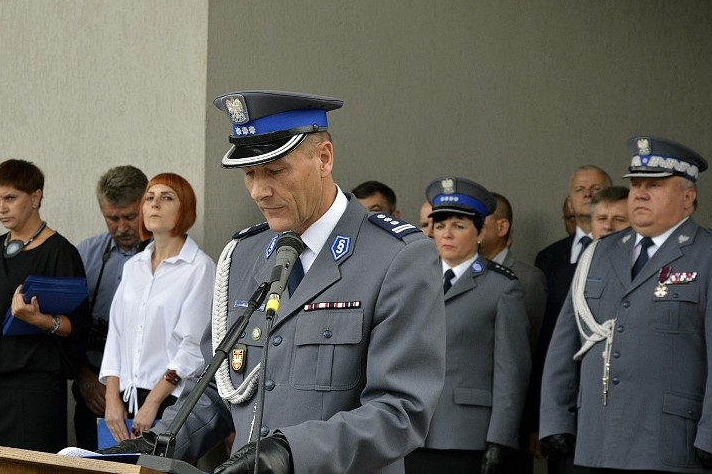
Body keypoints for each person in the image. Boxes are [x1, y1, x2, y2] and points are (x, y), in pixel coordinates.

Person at [102, 90, 445, 474]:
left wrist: (291, 452)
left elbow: (402, 411)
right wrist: (161, 441)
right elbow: (219, 385)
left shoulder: (395, 256)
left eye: (276, 171)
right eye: (249, 173)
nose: (259, 191)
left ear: (324, 158)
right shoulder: (244, 255)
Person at [540, 135, 712, 472]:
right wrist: (555, 418)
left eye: (654, 185)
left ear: (688, 197)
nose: (639, 192)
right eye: (636, 183)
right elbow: (565, 341)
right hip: (597, 438)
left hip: (672, 444)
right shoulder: (599, 252)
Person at [0, 159, 89, 452]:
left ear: (36, 197)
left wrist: (41, 321)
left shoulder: (60, 252)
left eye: (10, 198)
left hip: (32, 388)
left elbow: (78, 325)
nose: (1, 208)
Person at [407, 177, 530, 474]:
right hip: (412, 429)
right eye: (439, 225)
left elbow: (511, 372)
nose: (446, 233)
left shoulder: (501, 288)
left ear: (479, 232)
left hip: (466, 433)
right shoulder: (413, 281)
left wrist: (500, 439)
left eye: (459, 226)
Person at [100, 172, 215, 444]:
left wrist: (153, 402)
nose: (155, 204)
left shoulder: (199, 268)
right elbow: (115, 336)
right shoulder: (133, 267)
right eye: (149, 198)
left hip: (169, 399)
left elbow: (193, 346)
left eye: (167, 198)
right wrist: (111, 398)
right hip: (124, 399)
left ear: (184, 209)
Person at [531, 166, 611, 474]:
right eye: (580, 189)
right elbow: (547, 341)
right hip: (566, 405)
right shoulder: (550, 258)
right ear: (568, 200)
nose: (588, 194)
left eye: (596, 188)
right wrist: (542, 419)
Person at [73, 165, 149, 450]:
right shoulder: (85, 254)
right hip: (94, 388)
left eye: (130, 217)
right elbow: (68, 327)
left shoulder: (172, 256)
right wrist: (84, 378)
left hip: (150, 390)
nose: (122, 227)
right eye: (111, 219)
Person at [478, 191, 547, 353]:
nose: (471, 226)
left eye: (479, 221)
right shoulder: (463, 273)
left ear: (501, 227)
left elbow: (527, 344)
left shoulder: (529, 278)